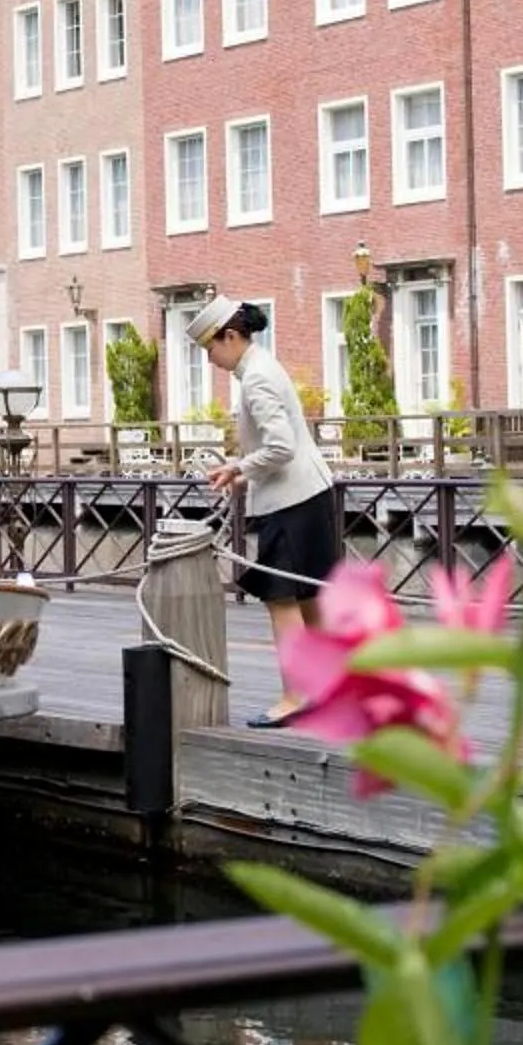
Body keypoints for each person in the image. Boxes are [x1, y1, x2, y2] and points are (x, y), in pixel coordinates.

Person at [187, 296, 341, 728]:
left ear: (231, 337)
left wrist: (238, 466)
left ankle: (297, 695)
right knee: (311, 599)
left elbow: (280, 446)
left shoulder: (256, 379)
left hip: (291, 501)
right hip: (307, 494)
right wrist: (244, 475)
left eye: (211, 348)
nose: (211, 359)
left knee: (281, 599)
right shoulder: (261, 367)